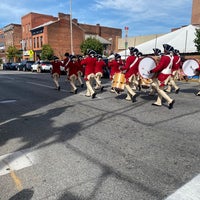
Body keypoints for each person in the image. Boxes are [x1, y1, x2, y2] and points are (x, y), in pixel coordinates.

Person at [150, 44, 175, 109]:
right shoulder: (171, 57)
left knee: (159, 89)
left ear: (166, 50)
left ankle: (170, 100)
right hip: (168, 74)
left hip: (163, 74)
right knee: (161, 89)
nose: (164, 50)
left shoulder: (165, 57)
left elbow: (160, 67)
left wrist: (152, 70)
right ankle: (159, 101)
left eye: (164, 49)